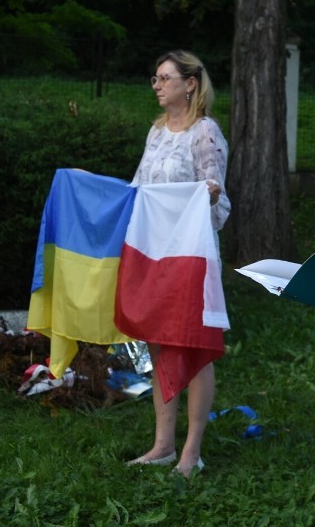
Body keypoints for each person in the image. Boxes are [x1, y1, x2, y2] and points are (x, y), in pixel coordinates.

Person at [124, 50, 231, 477]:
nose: (156, 84)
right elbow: (139, 187)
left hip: (191, 257)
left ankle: (191, 452)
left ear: (190, 84)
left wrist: (200, 196)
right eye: (154, 78)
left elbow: (216, 191)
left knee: (194, 349)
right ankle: (163, 445)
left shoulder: (204, 132)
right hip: (155, 255)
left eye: (164, 77)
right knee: (159, 344)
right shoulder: (156, 132)